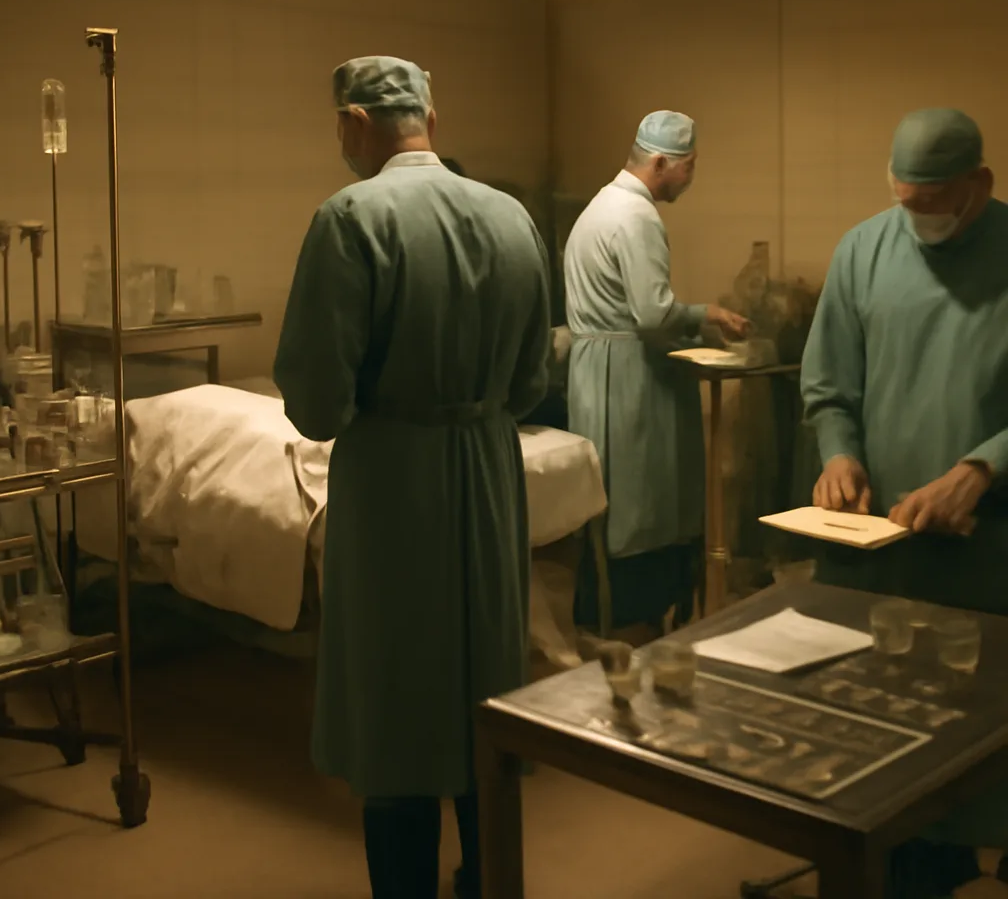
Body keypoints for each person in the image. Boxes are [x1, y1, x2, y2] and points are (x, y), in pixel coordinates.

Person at [273, 56, 551, 899]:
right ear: (432, 114)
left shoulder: (351, 217)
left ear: (356, 123)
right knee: (483, 693)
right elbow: (535, 380)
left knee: (396, 704)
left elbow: (316, 399)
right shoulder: (512, 217)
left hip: (397, 484)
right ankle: (490, 881)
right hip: (490, 473)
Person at [801, 107, 1008, 898]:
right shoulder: (864, 250)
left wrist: (984, 466)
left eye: (935, 204)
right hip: (880, 552)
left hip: (987, 550)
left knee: (977, 734)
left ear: (979, 185)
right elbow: (829, 386)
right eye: (904, 202)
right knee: (884, 742)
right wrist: (838, 452)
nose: (917, 221)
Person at [564, 111, 750, 634]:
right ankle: (642, 617)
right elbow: (651, 315)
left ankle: (605, 611)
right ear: (663, 162)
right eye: (689, 167)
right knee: (644, 501)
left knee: (610, 497)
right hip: (631, 376)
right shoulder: (637, 216)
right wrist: (705, 315)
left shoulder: (600, 206)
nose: (691, 178)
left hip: (594, 367)